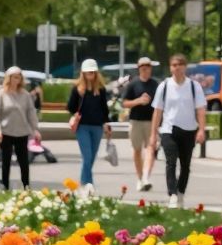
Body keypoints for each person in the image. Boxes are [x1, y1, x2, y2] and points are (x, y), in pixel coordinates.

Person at [147, 50, 206, 208]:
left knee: (185, 165)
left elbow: (200, 109)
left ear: (185, 67)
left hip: (188, 129)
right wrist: (153, 134)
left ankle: (180, 192)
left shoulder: (194, 86)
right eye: (174, 65)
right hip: (169, 129)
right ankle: (172, 193)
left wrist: (201, 130)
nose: (177, 68)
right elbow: (157, 112)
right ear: (170, 68)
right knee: (170, 162)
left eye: (180, 65)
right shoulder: (164, 86)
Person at [0, 66, 41, 191]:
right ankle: (5, 186)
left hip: (22, 132)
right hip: (6, 132)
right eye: (14, 77)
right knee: (5, 160)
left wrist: (35, 129)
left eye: (19, 78)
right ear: (9, 78)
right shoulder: (1, 94)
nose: (16, 80)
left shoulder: (25, 95)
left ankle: (26, 186)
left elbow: (31, 113)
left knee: (24, 161)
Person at [66, 59, 113, 188]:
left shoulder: (101, 89)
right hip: (83, 127)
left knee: (92, 157)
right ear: (83, 73)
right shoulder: (77, 89)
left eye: (92, 72)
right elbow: (70, 106)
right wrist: (75, 113)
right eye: (88, 72)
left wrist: (107, 125)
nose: (90, 75)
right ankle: (89, 184)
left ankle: (83, 182)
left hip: (97, 126)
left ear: (96, 73)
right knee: (87, 156)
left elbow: (104, 109)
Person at [122, 55, 156, 185]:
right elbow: (124, 103)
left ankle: (146, 176)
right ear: (139, 68)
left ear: (150, 68)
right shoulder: (133, 84)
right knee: (137, 150)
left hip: (151, 121)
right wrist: (138, 101)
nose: (145, 69)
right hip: (136, 121)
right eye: (143, 66)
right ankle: (140, 177)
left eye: (147, 66)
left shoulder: (155, 84)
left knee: (150, 149)